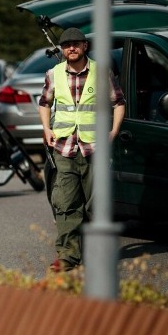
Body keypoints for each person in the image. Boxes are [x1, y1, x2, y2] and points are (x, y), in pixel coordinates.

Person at [38, 27, 126, 272]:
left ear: (85, 46)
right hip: (63, 148)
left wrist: (113, 132)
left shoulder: (101, 73)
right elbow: (44, 103)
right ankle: (68, 255)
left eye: (76, 44)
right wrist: (46, 128)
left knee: (95, 205)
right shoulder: (54, 74)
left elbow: (118, 103)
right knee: (66, 204)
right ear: (62, 50)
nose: (71, 48)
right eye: (66, 45)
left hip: (94, 148)